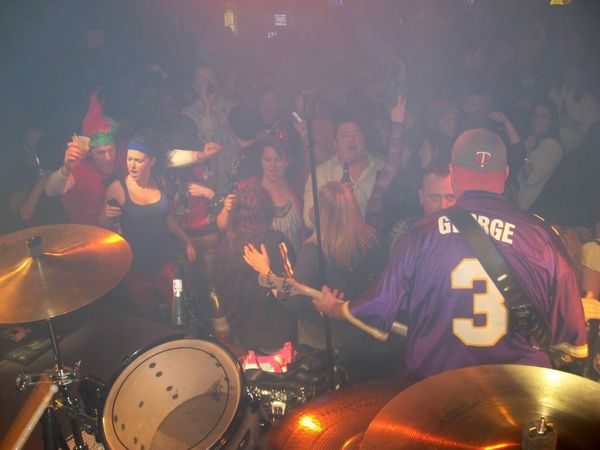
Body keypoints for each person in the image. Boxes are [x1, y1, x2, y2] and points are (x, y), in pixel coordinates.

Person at [313, 128, 588, 382]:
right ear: (504, 174)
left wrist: (334, 308)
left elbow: (377, 308)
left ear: (454, 174)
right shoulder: (542, 238)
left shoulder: (421, 234)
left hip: (437, 392)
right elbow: (573, 347)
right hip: (517, 394)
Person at [244, 181, 384, 381]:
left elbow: (293, 300)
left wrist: (265, 271)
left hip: (321, 345)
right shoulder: (371, 241)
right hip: (359, 337)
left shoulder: (314, 250)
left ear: (322, 213)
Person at [99, 139, 195, 321]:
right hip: (137, 267)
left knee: (180, 312)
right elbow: (102, 224)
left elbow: (168, 218)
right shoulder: (117, 188)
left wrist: (186, 241)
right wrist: (106, 215)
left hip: (166, 260)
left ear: (152, 161)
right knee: (149, 319)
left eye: (138, 160)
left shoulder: (160, 182)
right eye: (129, 159)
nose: (132, 165)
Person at [212, 185, 297, 351]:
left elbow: (215, 291)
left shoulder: (224, 248)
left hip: (239, 341)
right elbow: (292, 294)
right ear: (268, 212)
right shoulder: (277, 244)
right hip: (276, 342)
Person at [45, 90, 123, 225]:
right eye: (101, 153)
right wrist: (66, 168)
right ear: (90, 153)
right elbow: (50, 190)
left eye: (111, 150)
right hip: (87, 232)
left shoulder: (123, 158)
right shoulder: (81, 169)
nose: (108, 157)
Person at [218, 137, 304, 252]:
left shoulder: (297, 189)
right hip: (257, 259)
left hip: (294, 259)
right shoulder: (246, 187)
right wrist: (226, 209)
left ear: (287, 162)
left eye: (278, 159)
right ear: (261, 161)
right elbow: (222, 226)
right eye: (267, 159)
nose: (272, 165)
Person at [304, 117, 383, 230]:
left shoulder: (382, 168)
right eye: (344, 135)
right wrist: (334, 200)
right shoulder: (321, 174)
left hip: (376, 239)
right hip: (336, 240)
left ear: (364, 139)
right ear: (335, 143)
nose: (351, 140)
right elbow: (309, 219)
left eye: (356, 134)